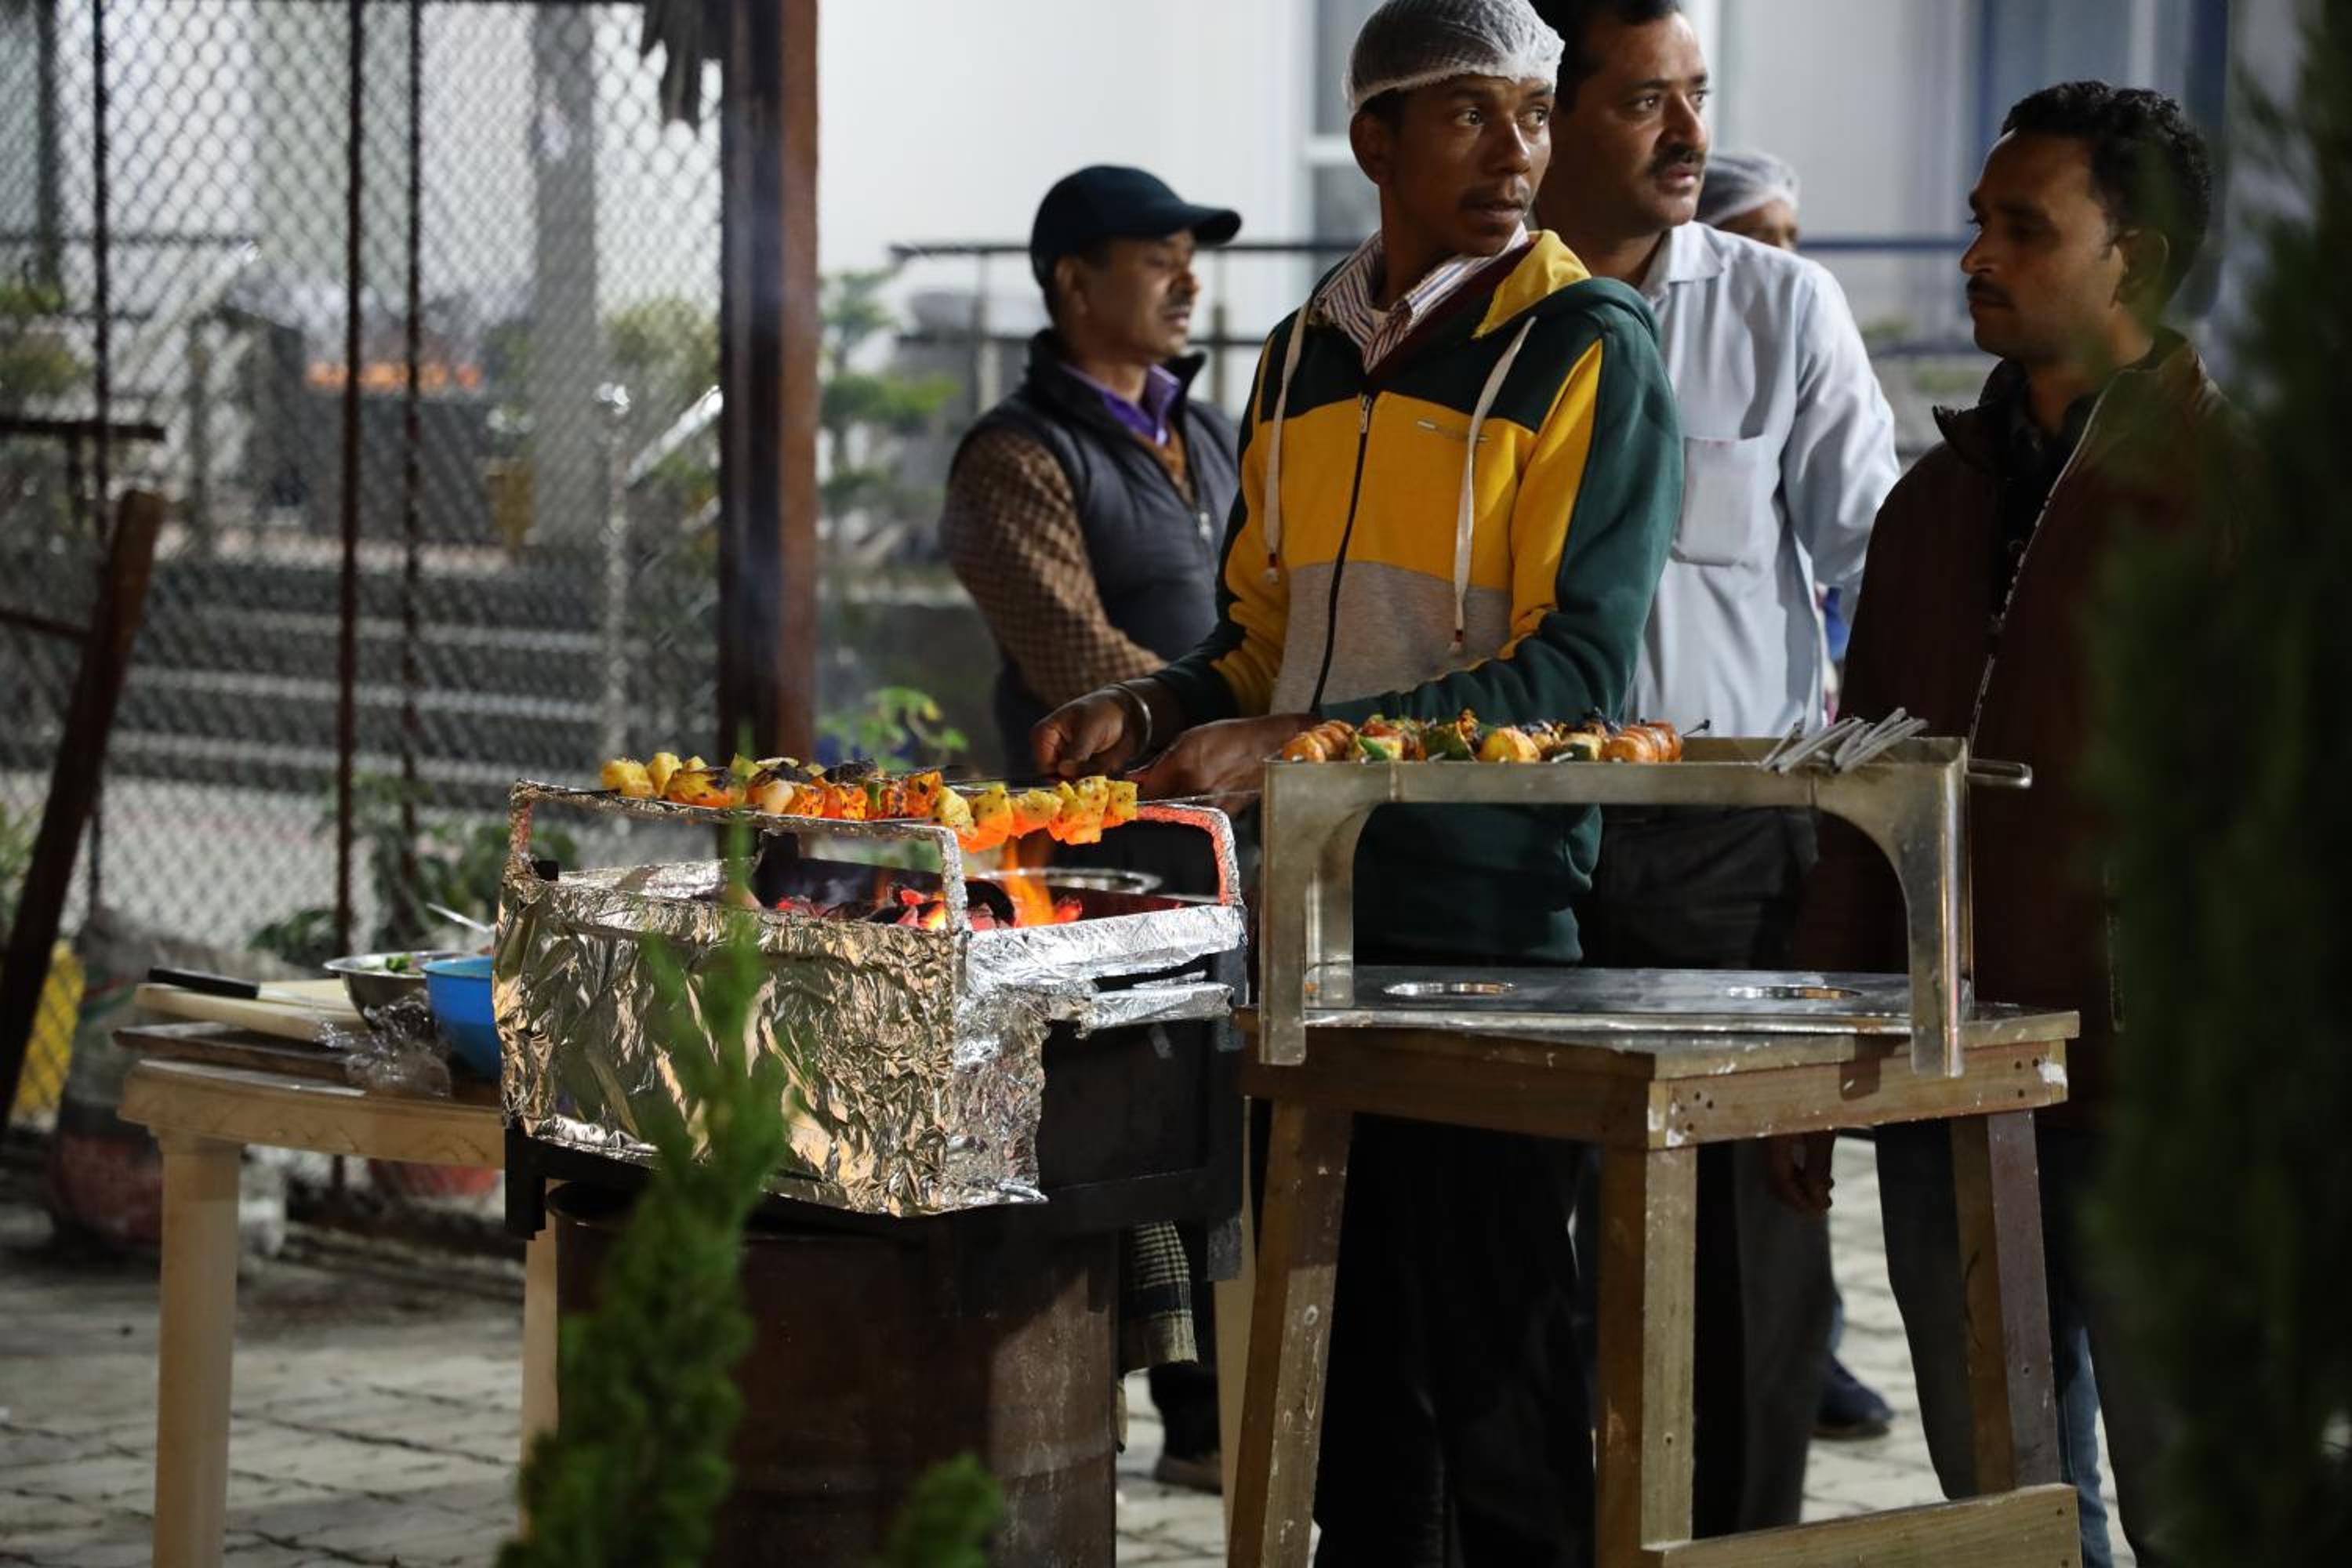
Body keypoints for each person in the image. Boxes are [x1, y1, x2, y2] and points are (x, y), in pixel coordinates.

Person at [1036, 0, 1684, 1555]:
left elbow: (1573, 676)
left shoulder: (1587, 345)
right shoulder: (1300, 356)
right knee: (1354, 1399)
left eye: (1534, 113)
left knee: (1505, 1388)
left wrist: (1304, 745)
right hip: (1309, 931)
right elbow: (1265, 643)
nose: (1517, 150)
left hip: (1485, 933)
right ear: (1374, 139)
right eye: (1469, 114)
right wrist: (1152, 702)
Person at [1769, 82, 2233, 1568]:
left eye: (2025, 229)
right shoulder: (1928, 507)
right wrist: (1823, 1047)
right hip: (1950, 1076)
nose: (1978, 255)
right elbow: (1862, 788)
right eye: (1979, 221)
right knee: (2004, 1504)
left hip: (2168, 1098)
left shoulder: (2241, 502)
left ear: (2133, 258)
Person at [1529, 0, 1897, 1535]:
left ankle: (1742, 1546)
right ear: (1547, 113)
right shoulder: (1483, 316)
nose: (1691, 136)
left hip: (1731, 839)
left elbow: (1878, 556)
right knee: (1514, 1240)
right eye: (1646, 101)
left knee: (1744, 1244)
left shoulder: (1778, 308)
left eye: (1699, 95)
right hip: (1512, 836)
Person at [938, 163, 1245, 1493]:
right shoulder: (1013, 457)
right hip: (1105, 857)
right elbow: (1075, 657)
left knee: (1229, 1101)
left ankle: (1225, 1404)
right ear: (1073, 282)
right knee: (1135, 1115)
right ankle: (1156, 1412)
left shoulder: (1211, 432)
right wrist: (1233, 729)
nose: (1188, 281)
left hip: (1235, 818)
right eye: (1156, 257)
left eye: (1192, 256)